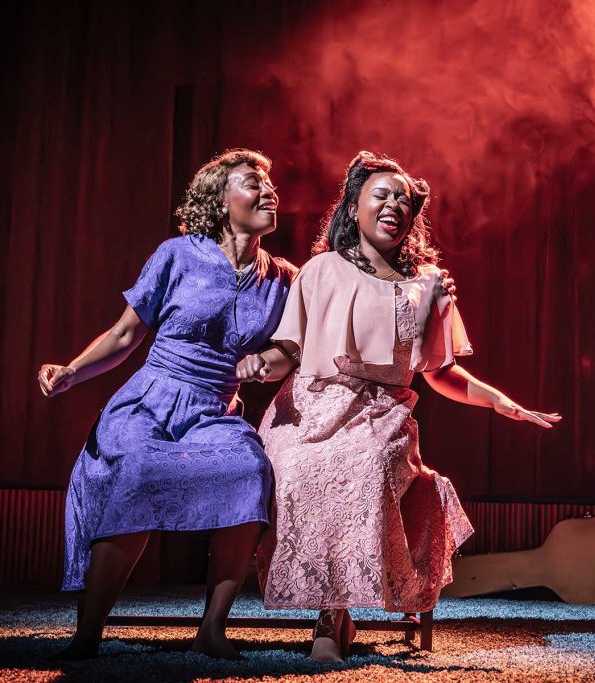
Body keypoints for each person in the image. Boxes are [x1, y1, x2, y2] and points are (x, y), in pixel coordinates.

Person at [237, 151, 562, 662]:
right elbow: (289, 351)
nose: (394, 205)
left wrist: (503, 404)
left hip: (380, 413)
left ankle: (330, 619)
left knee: (365, 468)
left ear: (412, 218)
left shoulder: (428, 284)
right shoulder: (321, 270)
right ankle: (335, 614)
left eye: (404, 200)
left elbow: (441, 373)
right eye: (381, 195)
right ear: (353, 207)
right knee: (297, 466)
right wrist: (260, 363)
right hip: (309, 405)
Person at [37, 149, 295, 660]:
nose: (270, 193)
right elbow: (125, 333)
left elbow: (292, 348)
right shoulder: (177, 255)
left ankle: (212, 630)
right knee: (135, 468)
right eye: (253, 184)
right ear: (221, 201)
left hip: (214, 410)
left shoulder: (284, 278)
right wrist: (71, 371)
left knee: (249, 469)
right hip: (151, 400)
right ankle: (88, 631)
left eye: (270, 186)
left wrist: (269, 358)